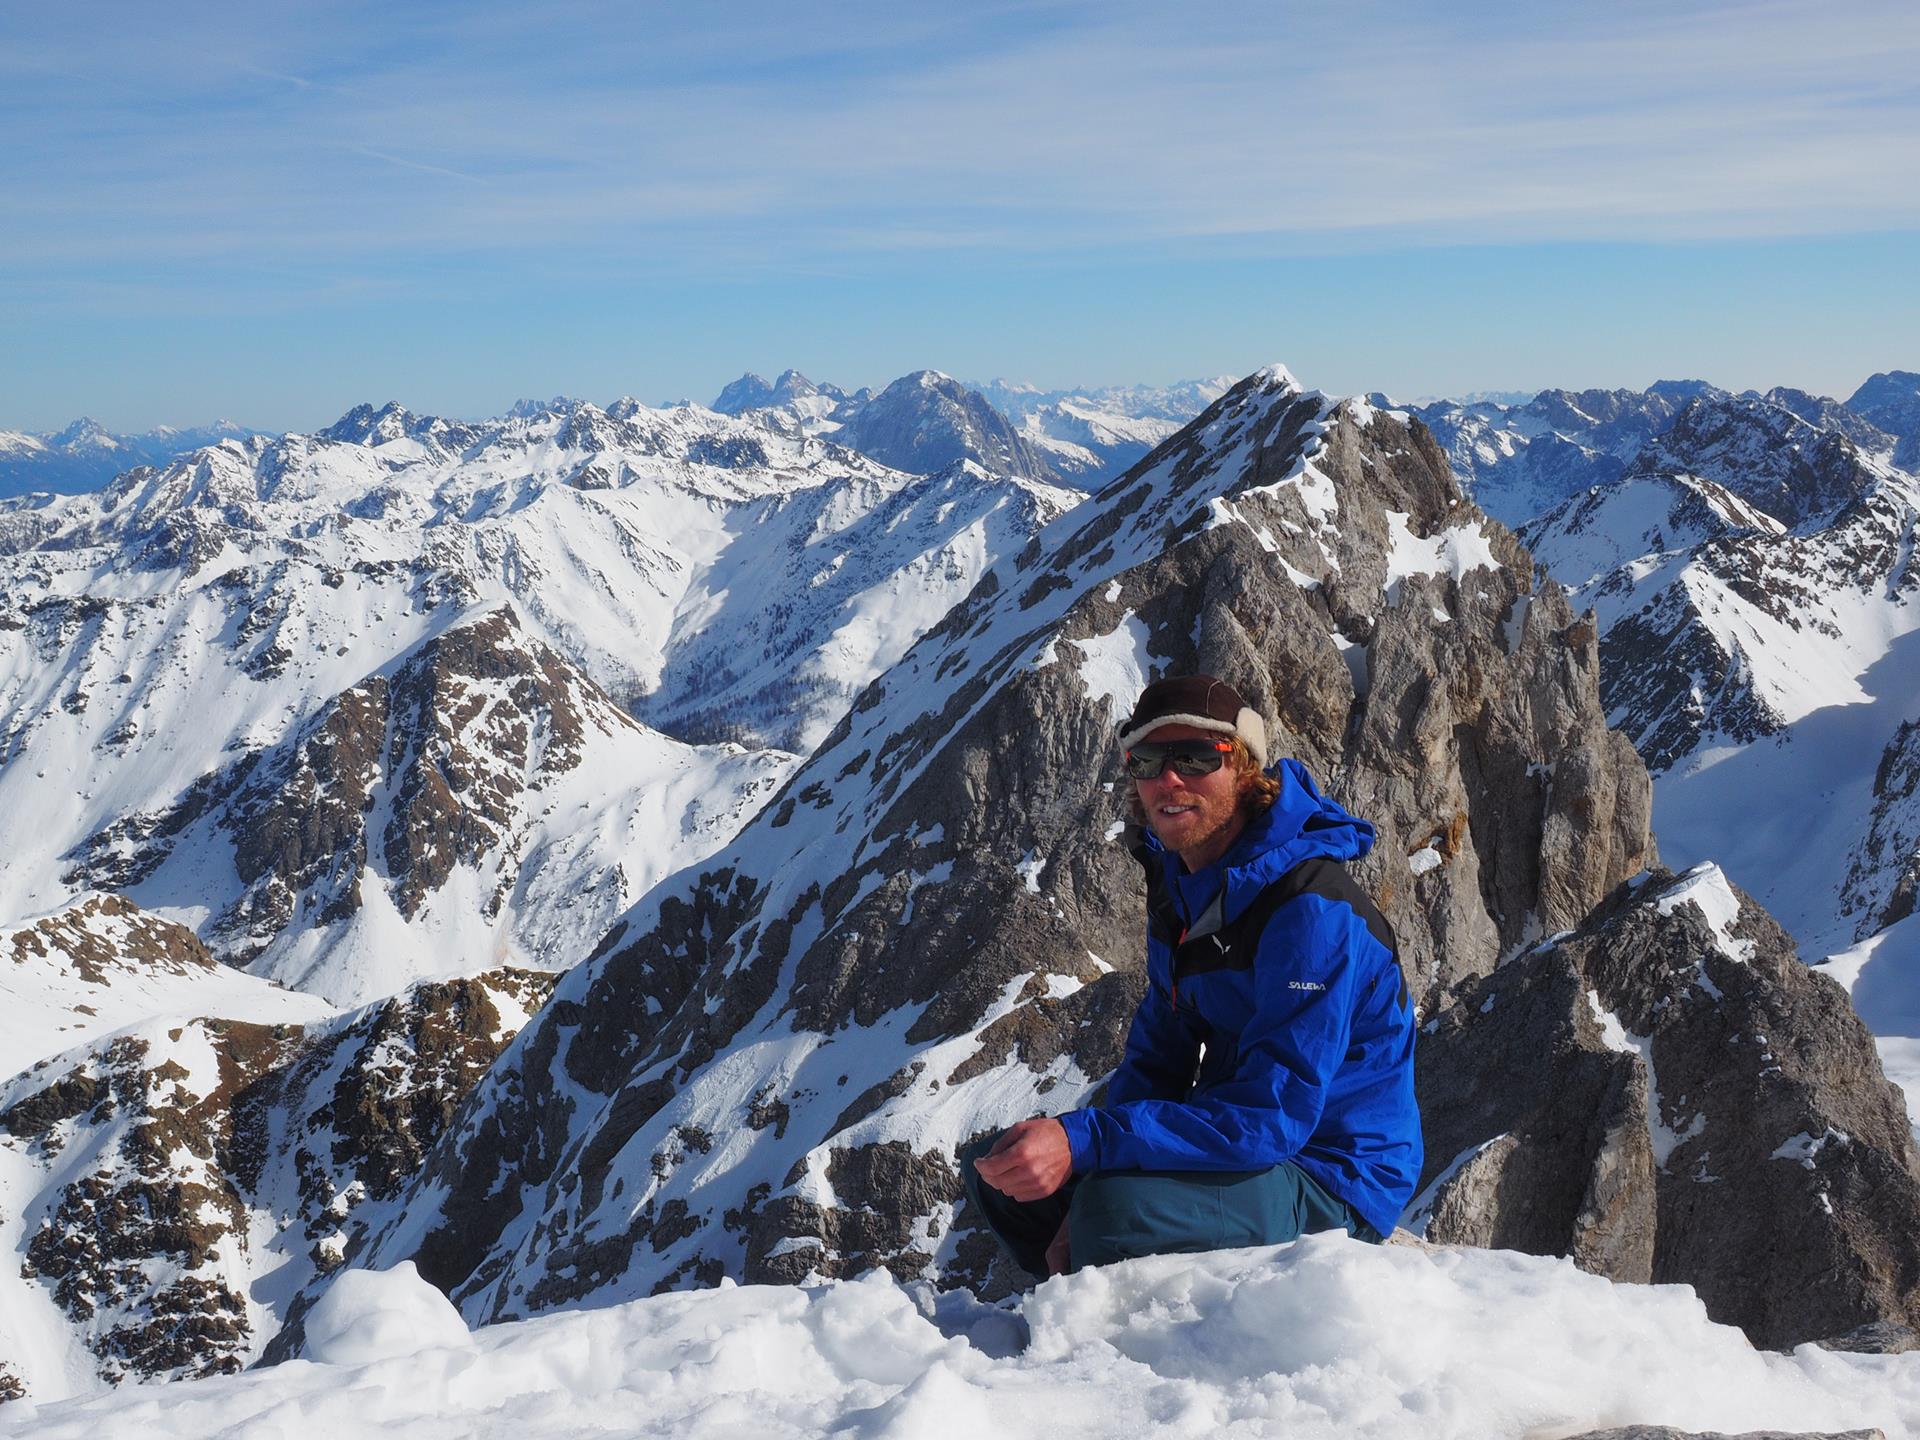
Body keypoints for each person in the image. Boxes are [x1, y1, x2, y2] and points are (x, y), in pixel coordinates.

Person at [962, 673, 1422, 1278]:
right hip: (1248, 1146)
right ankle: (1076, 1301)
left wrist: (1088, 1147)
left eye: (1197, 757)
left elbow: (1273, 1114)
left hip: (1331, 1172)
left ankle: (1123, 1320)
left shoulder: (1310, 911)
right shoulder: (1185, 889)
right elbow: (1159, 1059)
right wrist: (1093, 1165)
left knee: (1110, 1213)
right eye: (1147, 761)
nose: (1169, 780)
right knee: (1005, 1175)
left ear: (1245, 768)